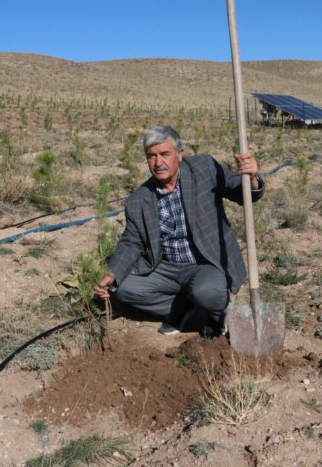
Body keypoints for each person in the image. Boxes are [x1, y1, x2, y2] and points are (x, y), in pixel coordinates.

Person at [93, 125, 265, 336]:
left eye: (165, 154)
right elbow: (132, 242)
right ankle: (185, 309)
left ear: (179, 154)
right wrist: (113, 273)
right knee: (121, 289)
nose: (158, 163)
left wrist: (252, 177)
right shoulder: (139, 199)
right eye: (151, 156)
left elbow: (243, 193)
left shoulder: (204, 168)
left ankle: (211, 310)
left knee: (207, 293)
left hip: (205, 263)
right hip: (166, 267)